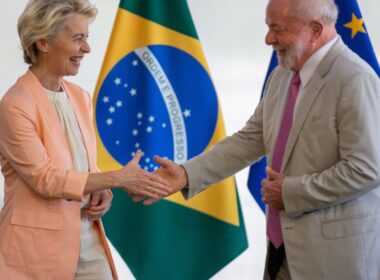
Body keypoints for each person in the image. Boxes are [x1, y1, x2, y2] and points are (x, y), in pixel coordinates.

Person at [136, 0, 380, 279]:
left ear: (314, 30)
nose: (268, 39)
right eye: (268, 27)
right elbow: (250, 139)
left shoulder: (355, 79)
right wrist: (186, 174)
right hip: (282, 252)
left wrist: (289, 192)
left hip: (334, 259)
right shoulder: (282, 76)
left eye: (277, 29)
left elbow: (365, 169)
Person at [0, 0, 170, 279]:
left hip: (87, 243)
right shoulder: (14, 105)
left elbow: (80, 167)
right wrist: (116, 178)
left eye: (86, 38)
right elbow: (46, 179)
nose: (87, 48)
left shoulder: (80, 96)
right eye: (78, 38)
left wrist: (101, 188)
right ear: (43, 42)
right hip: (35, 254)